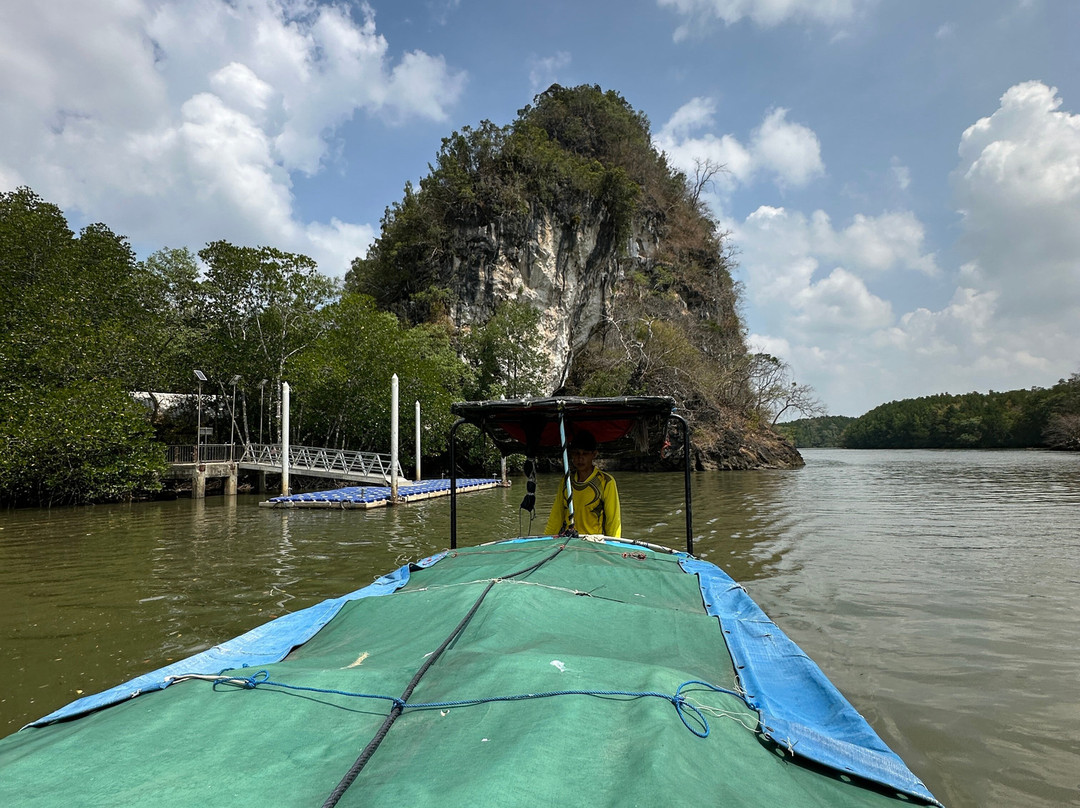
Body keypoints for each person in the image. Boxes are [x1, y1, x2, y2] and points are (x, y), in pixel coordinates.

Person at [544, 430, 621, 537]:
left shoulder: (606, 482)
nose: (580, 458)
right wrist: (547, 540)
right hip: (569, 540)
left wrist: (613, 546)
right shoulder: (566, 481)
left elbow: (613, 522)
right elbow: (556, 516)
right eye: (576, 453)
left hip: (593, 542)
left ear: (594, 454)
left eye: (585, 454)